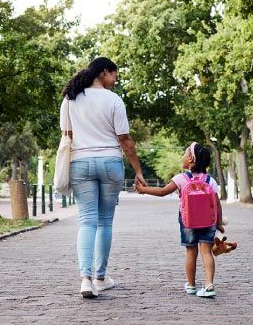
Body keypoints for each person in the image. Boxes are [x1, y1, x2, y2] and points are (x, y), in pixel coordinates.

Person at [61, 57, 146, 298]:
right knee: (105, 222)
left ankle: (85, 279)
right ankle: (100, 277)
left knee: (87, 221)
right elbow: (125, 140)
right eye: (114, 77)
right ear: (104, 72)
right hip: (110, 163)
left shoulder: (70, 99)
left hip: (81, 163)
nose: (115, 82)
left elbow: (66, 134)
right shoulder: (113, 100)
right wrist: (138, 171)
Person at [135, 142, 224, 297]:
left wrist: (143, 190)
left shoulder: (182, 179)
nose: (182, 157)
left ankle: (191, 285)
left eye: (184, 154)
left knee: (191, 253)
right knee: (206, 252)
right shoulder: (210, 180)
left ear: (191, 159)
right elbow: (216, 204)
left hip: (188, 222)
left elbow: (163, 192)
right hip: (208, 222)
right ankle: (209, 284)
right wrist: (219, 223)